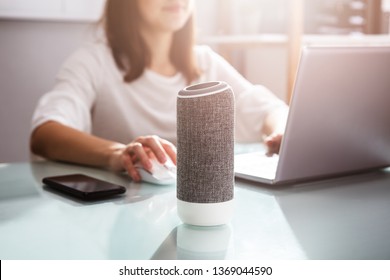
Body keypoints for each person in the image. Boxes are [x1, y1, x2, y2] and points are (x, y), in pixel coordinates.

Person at [30, 0, 288, 182]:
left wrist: (281, 130)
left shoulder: (205, 62)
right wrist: (118, 154)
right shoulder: (94, 61)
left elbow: (271, 109)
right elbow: (45, 133)